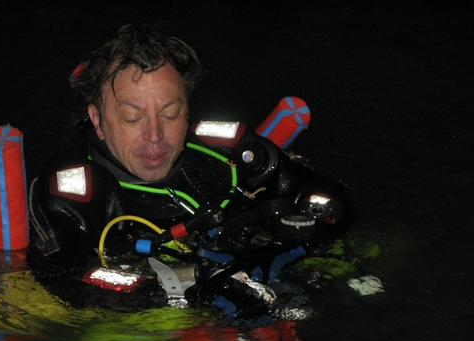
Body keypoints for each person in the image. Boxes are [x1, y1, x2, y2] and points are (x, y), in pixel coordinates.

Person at [28, 23, 355, 315]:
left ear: (187, 110)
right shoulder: (74, 186)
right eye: (132, 118)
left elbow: (333, 203)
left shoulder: (223, 152)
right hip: (146, 327)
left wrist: (272, 256)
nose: (154, 136)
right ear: (98, 121)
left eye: (170, 114)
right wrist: (184, 289)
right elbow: (66, 275)